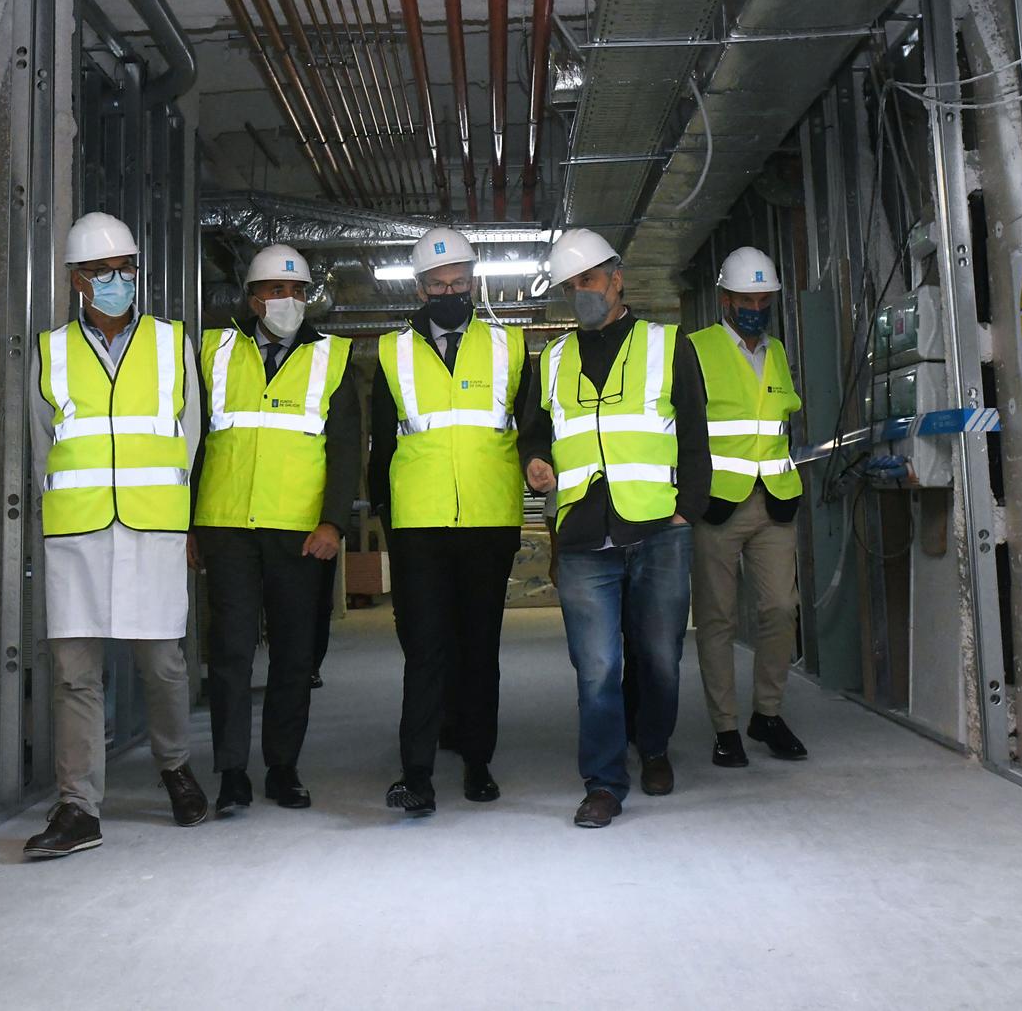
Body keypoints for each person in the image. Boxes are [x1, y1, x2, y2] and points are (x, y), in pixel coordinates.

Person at [24, 213, 209, 859]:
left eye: (125, 267)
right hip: (76, 532)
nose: (116, 279)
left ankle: (175, 766)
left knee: (162, 662)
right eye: (101, 271)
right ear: (76, 280)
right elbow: (41, 442)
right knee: (75, 672)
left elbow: (189, 434)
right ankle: (78, 805)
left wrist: (179, 516)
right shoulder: (52, 350)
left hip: (151, 526)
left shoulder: (170, 342)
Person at [518, 229, 710, 828]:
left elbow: (696, 434)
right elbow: (533, 431)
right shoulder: (549, 359)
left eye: (590, 281)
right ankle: (603, 782)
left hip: (657, 527)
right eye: (571, 286)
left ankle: (652, 748)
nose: (582, 293)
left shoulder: (667, 344)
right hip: (582, 534)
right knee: (596, 666)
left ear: (617, 277)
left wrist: (688, 511)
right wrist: (534, 462)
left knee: (658, 656)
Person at [192, 244, 359, 815]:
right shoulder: (214, 351)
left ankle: (282, 768)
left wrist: (334, 521)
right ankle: (232, 772)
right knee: (231, 652)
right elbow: (193, 443)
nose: (285, 300)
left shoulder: (333, 357)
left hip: (300, 530)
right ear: (252, 297)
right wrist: (190, 523)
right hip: (227, 524)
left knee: (294, 654)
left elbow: (344, 449)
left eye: (295, 291)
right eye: (273, 290)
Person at [368, 228, 528, 815]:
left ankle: (478, 761)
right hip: (419, 525)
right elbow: (380, 444)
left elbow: (525, 427)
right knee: (425, 647)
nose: (450, 291)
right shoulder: (392, 351)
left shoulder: (510, 347)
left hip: (489, 519)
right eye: (438, 284)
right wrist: (387, 518)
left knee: (480, 647)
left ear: (474, 281)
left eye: (459, 282)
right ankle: (417, 775)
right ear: (420, 288)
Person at [688, 247, 809, 767]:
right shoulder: (693, 350)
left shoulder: (776, 352)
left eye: (764, 298)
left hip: (774, 499)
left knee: (781, 609)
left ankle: (767, 714)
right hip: (718, 505)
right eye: (746, 298)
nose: (755, 306)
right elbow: (683, 431)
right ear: (725, 300)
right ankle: (726, 727)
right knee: (717, 620)